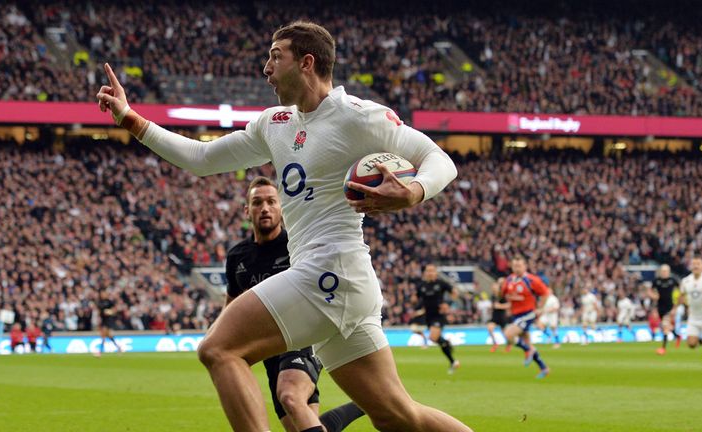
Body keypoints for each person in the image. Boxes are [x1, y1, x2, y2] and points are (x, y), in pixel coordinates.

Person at [97, 21, 471, 431]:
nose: (266, 68)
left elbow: (439, 159)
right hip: (340, 282)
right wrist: (131, 119)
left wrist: (415, 191)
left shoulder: (358, 117)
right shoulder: (274, 123)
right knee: (398, 416)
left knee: (219, 349)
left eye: (276, 56)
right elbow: (202, 160)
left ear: (307, 63)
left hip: (330, 271)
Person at [222, 176, 364, 432]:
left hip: (302, 338)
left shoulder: (296, 247)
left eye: (271, 202)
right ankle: (364, 404)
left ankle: (365, 403)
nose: (264, 208)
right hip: (268, 351)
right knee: (304, 426)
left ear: (281, 207)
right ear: (247, 210)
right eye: (257, 203)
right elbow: (230, 309)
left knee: (290, 395)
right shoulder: (236, 257)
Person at [501, 256, 551, 378]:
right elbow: (505, 294)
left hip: (528, 314)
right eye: (514, 266)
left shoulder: (531, 280)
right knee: (527, 341)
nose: (517, 268)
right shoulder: (509, 280)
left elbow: (545, 293)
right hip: (516, 315)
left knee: (508, 334)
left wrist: (540, 308)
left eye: (519, 266)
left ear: (525, 266)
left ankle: (527, 349)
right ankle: (543, 368)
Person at [416, 264, 460, 373]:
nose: (430, 273)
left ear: (436, 272)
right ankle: (450, 352)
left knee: (433, 336)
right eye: (428, 271)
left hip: (439, 315)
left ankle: (453, 360)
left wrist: (448, 304)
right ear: (425, 273)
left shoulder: (441, 283)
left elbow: (455, 293)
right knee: (434, 339)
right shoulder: (421, 286)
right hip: (428, 316)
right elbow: (419, 299)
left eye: (432, 271)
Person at [649, 264, 682, 355]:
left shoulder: (673, 280)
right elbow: (650, 291)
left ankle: (663, 348)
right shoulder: (657, 281)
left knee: (665, 325)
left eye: (666, 271)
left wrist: (676, 305)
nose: (664, 273)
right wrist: (653, 296)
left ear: (669, 272)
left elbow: (681, 290)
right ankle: (677, 336)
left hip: (670, 307)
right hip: (660, 307)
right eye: (662, 271)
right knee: (666, 326)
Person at [486, 278, 511, 352]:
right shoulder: (493, 296)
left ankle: (509, 344)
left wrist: (499, 306)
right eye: (492, 287)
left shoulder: (503, 295)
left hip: (502, 316)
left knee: (505, 333)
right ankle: (495, 343)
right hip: (495, 316)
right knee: (490, 328)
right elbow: (493, 305)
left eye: (495, 286)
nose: (493, 288)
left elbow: (509, 305)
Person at [95, 290, 122, 357]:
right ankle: (118, 347)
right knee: (109, 336)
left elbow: (115, 310)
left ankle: (99, 352)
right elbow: (99, 312)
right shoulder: (99, 302)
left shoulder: (109, 302)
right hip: (103, 320)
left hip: (108, 320)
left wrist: (110, 312)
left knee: (103, 336)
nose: (103, 295)